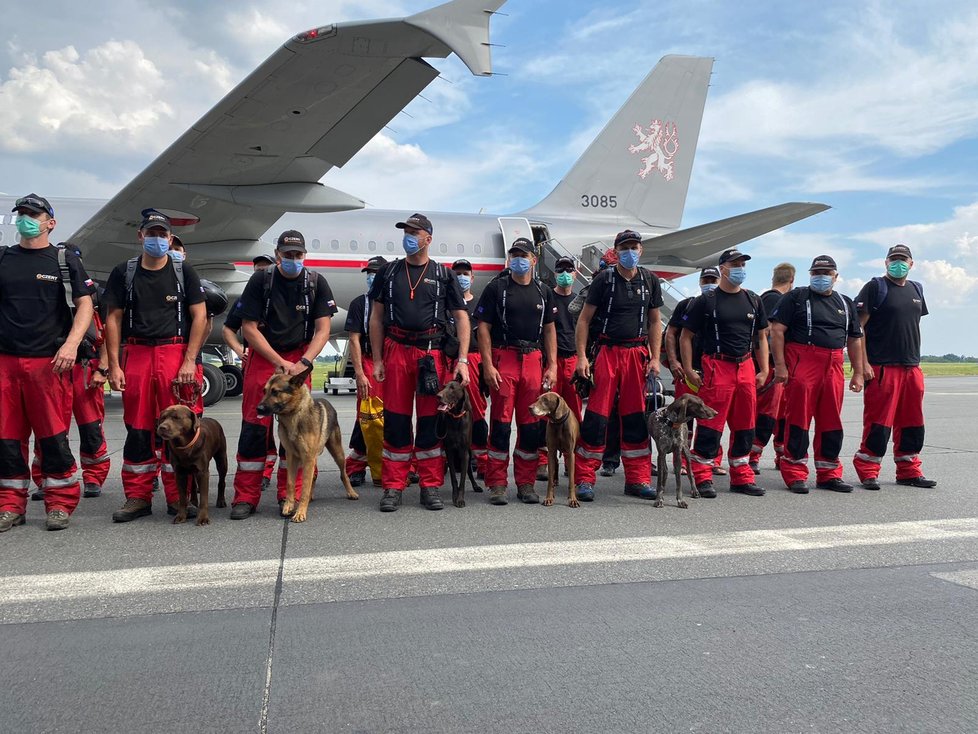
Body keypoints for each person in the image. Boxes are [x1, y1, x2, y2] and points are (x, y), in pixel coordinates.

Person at [103, 209, 208, 522]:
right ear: (140, 236)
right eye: (151, 234)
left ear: (170, 238)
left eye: (162, 235)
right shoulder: (124, 272)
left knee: (180, 428)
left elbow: (200, 316)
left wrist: (189, 360)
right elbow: (113, 318)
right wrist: (114, 365)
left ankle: (181, 498)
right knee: (138, 428)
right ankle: (138, 497)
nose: (157, 239)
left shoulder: (183, 271)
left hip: (173, 354)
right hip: (136, 354)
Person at [0, 195, 95, 533]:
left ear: (50, 222)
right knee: (6, 439)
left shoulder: (63, 260)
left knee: (52, 437)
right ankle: (10, 505)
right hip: (6, 363)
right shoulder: (4, 258)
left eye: (33, 214)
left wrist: (71, 343)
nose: (26, 219)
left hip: (48, 364)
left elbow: (85, 305)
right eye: (22, 214)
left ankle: (60, 503)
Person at [229, 230, 337, 519]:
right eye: (287, 254)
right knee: (253, 429)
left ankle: (289, 496)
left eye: (297, 255)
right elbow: (248, 328)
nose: (293, 259)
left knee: (298, 432)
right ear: (278, 255)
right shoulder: (261, 280)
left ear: (304, 255)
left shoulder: (315, 283)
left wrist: (304, 361)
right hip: (266, 356)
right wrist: (278, 361)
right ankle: (246, 497)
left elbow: (323, 329)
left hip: (299, 360)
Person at [368, 213, 469, 512]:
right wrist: (376, 359)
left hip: (431, 353)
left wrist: (462, 359)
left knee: (430, 422)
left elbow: (462, 317)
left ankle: (430, 485)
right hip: (396, 350)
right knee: (396, 421)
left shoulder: (443, 274)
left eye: (415, 231)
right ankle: (394, 486)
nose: (409, 236)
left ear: (428, 238)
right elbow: (375, 317)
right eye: (406, 231)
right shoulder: (388, 273)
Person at [574, 230, 663, 501]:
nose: (630, 251)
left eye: (634, 246)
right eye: (625, 247)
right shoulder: (604, 280)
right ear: (616, 250)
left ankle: (637, 479)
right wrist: (581, 357)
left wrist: (656, 357)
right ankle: (585, 478)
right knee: (597, 418)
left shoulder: (650, 280)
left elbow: (655, 321)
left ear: (641, 250)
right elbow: (584, 320)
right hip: (607, 353)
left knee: (636, 417)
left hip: (636, 354)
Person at [770, 255, 864, 493]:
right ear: (810, 275)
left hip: (833, 363)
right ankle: (794, 471)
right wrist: (780, 365)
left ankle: (829, 472)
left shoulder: (845, 303)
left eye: (826, 273)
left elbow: (854, 339)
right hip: (803, 360)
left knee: (831, 420)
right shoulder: (796, 298)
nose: (821, 277)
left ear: (836, 277)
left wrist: (858, 373)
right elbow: (777, 331)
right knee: (799, 418)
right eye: (816, 273)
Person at [476, 238, 557, 505]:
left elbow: (549, 330)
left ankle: (526, 483)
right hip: (504, 358)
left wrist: (552, 365)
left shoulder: (543, 291)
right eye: (514, 255)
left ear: (534, 260)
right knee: (500, 423)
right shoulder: (496, 288)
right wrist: (487, 365)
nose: (518, 259)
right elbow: (484, 327)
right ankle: (497, 483)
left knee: (531, 425)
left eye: (523, 255)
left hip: (533, 360)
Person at [680, 249, 768, 497]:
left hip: (746, 367)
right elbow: (686, 336)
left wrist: (765, 369)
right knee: (711, 423)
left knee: (745, 424)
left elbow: (761, 336)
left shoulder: (753, 300)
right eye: (735, 264)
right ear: (722, 269)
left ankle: (742, 477)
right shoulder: (705, 301)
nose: (740, 268)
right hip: (718, 366)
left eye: (742, 264)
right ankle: (702, 476)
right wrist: (688, 368)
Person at [30, 244, 110, 501]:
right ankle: (46, 478)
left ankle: (93, 477)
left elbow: (106, 335)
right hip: (52, 368)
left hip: (84, 370)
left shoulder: (93, 296)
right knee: (50, 430)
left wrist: (103, 368)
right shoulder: (43, 293)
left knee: (91, 429)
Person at [852, 244, 937, 489]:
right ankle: (868, 468)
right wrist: (863, 364)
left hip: (911, 367)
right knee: (879, 423)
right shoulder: (875, 287)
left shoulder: (916, 289)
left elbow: (909, 324)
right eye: (893, 259)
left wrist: (915, 364)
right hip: (882, 367)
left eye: (903, 259)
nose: (898, 263)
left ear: (911, 264)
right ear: (885, 262)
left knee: (912, 422)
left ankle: (909, 470)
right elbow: (858, 330)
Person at [222, 253, 278, 489]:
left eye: (266, 269)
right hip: (256, 364)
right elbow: (228, 329)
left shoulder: (282, 294)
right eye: (257, 270)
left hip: (284, 362)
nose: (262, 273)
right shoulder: (245, 300)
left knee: (291, 422)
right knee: (257, 422)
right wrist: (238, 349)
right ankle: (260, 473)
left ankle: (295, 474)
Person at [664, 267, 723, 473]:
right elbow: (671, 334)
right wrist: (674, 362)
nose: (709, 283)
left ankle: (711, 459)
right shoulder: (687, 304)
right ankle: (681, 459)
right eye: (706, 279)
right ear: (699, 282)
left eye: (713, 279)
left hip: (714, 372)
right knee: (683, 418)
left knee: (712, 417)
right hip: (688, 372)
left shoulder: (725, 305)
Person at [344, 255, 388, 487]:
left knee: (394, 418)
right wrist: (360, 373)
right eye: (369, 273)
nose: (371, 277)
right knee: (366, 417)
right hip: (370, 363)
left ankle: (395, 465)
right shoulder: (359, 304)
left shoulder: (394, 302)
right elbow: (354, 339)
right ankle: (357, 465)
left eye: (375, 273)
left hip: (391, 363)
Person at [749, 262, 795, 472]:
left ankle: (780, 453)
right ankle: (752, 455)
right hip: (769, 367)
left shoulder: (763, 299)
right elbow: (766, 334)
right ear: (791, 281)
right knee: (767, 414)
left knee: (781, 415)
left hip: (767, 365)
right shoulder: (778, 301)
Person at [450, 258, 489, 477]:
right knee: (447, 410)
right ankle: (451, 458)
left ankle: (481, 460)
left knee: (476, 410)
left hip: (474, 360)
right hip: (450, 360)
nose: (461, 277)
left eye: (465, 273)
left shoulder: (480, 305)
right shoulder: (446, 302)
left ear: (472, 277)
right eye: (457, 273)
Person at [551, 255, 583, 422]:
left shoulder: (580, 301)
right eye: (560, 270)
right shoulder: (547, 298)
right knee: (548, 405)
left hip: (573, 360)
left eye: (569, 269)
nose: (565, 273)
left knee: (574, 408)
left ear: (575, 273)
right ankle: (546, 447)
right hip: (552, 361)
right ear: (555, 274)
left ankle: (575, 446)